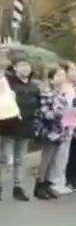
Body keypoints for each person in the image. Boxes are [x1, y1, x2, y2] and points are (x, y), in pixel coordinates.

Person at [0, 53, 40, 202]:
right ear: (15, 67)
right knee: (5, 158)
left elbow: (38, 106)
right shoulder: (7, 84)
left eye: (27, 66)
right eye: (21, 65)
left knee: (20, 159)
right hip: (9, 125)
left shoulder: (34, 86)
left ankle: (18, 187)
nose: (25, 69)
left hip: (26, 126)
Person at [34, 66, 71, 200]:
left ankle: (48, 184)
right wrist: (61, 115)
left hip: (61, 130)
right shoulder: (46, 93)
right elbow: (45, 112)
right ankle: (39, 184)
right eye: (58, 75)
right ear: (51, 78)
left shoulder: (62, 94)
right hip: (50, 130)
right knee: (46, 158)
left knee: (54, 160)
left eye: (63, 75)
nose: (61, 78)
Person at [49, 62, 76, 194]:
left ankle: (61, 180)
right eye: (71, 70)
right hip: (61, 126)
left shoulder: (71, 88)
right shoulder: (64, 89)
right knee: (59, 155)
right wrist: (68, 124)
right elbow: (67, 108)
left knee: (65, 155)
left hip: (70, 125)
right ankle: (54, 181)